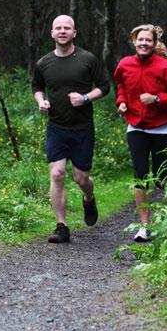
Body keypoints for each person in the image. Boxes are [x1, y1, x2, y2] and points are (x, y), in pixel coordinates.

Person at [32, 14, 110, 243]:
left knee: (81, 177)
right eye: (58, 28)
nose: (63, 31)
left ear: (74, 33)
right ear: (52, 33)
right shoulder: (44, 63)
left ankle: (89, 198)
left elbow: (105, 87)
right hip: (56, 127)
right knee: (57, 174)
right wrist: (41, 101)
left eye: (67, 28)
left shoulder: (87, 59)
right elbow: (37, 86)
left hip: (82, 128)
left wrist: (85, 97)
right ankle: (61, 226)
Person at [113, 24, 167, 242]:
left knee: (164, 179)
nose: (143, 43)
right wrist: (122, 102)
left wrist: (156, 98)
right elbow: (121, 86)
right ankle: (145, 227)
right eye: (140, 40)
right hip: (136, 127)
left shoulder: (166, 67)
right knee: (141, 176)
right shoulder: (125, 64)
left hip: (163, 128)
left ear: (154, 44)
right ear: (134, 41)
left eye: (148, 40)